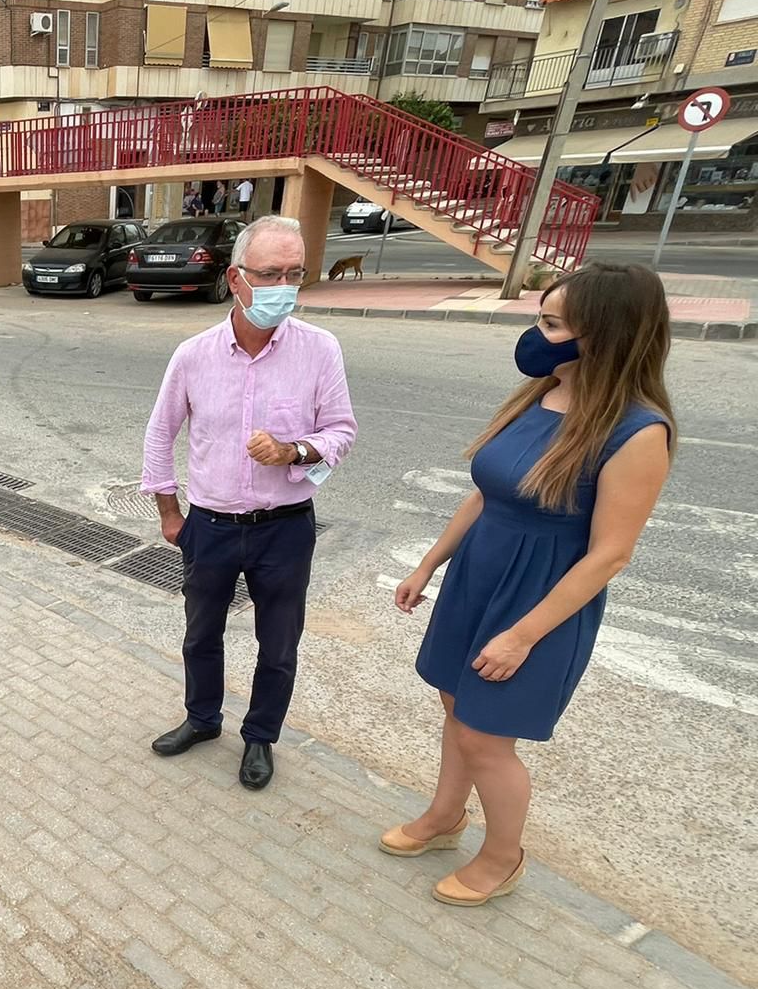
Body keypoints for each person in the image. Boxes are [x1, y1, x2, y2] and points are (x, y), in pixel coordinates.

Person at [390, 263, 675, 907]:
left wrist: (521, 636)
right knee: (456, 710)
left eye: (550, 324)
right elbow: (487, 494)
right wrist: (430, 563)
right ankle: (444, 817)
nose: (536, 336)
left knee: (486, 739)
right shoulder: (540, 394)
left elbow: (609, 555)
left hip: (539, 603)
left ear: (604, 334)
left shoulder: (637, 431)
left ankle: (502, 857)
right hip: (478, 579)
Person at [142, 216, 357, 790]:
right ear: (237, 279)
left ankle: (260, 737)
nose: (284, 286)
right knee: (200, 633)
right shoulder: (193, 354)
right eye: (270, 274)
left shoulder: (319, 349)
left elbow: (341, 430)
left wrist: (295, 450)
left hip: (284, 527)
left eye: (295, 273)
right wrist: (169, 512)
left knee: (279, 642)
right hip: (209, 524)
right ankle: (203, 719)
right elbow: (160, 432)